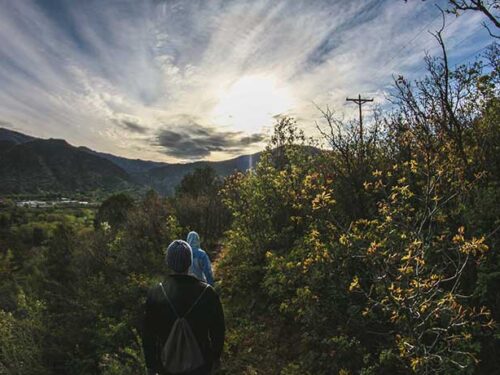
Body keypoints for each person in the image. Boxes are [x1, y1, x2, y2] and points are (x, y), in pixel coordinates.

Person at [142, 240, 225, 375]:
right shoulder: (207, 293)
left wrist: (150, 365)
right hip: (201, 365)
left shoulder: (156, 293)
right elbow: (218, 329)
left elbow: (148, 334)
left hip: (166, 365)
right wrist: (215, 357)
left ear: (168, 262)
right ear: (190, 262)